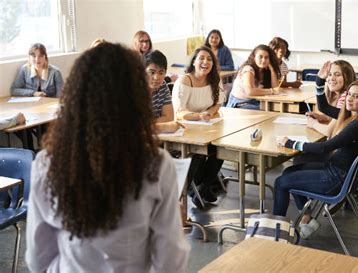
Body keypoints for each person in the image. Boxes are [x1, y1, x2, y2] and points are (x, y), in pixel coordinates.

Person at [25, 43, 189, 272]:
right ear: (137, 98)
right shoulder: (157, 165)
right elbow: (170, 262)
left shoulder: (47, 164)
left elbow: (37, 260)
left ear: (75, 97)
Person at [273, 81, 358, 239]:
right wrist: (320, 82)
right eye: (349, 94)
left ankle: (275, 232)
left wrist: (291, 143)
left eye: (356, 97)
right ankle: (307, 218)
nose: (350, 99)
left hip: (335, 179)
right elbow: (325, 108)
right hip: (339, 173)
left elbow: (324, 148)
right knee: (289, 171)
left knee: (281, 182)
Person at [172, 46, 225, 207]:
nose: (205, 62)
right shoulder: (185, 81)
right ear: (194, 62)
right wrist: (199, 116)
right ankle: (189, 192)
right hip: (186, 129)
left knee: (220, 149)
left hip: (206, 126)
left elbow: (218, 103)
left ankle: (203, 187)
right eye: (201, 58)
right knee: (197, 154)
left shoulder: (214, 79)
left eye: (209, 59)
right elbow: (179, 112)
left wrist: (209, 112)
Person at [226, 44, 281, 110]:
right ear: (254, 57)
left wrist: (272, 70)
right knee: (270, 109)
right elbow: (250, 91)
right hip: (239, 104)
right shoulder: (248, 69)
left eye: (266, 57)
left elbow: (276, 88)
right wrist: (272, 91)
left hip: (253, 102)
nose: (263, 60)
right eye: (260, 57)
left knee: (273, 107)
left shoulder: (264, 71)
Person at [306, 60, 356, 125]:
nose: (332, 78)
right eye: (329, 74)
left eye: (337, 75)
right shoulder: (335, 95)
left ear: (347, 78)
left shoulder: (347, 97)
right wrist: (320, 117)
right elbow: (335, 117)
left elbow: (330, 131)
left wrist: (313, 124)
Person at [144, 50, 183, 133]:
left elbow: (169, 118)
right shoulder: (133, 90)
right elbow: (134, 126)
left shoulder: (162, 85)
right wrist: (164, 126)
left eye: (161, 73)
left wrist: (148, 124)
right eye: (152, 72)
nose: (156, 77)